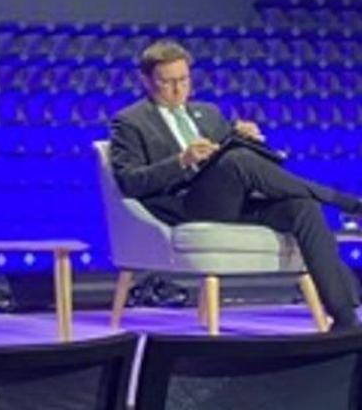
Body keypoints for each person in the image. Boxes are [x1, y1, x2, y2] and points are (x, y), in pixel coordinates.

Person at [108, 39, 362, 329]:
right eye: (167, 82)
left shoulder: (207, 112)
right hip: (186, 204)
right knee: (237, 160)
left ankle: (344, 318)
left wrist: (246, 137)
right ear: (146, 81)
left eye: (184, 80)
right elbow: (130, 182)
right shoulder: (130, 122)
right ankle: (344, 202)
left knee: (303, 207)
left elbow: (229, 157)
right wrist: (181, 160)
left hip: (231, 200)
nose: (178, 89)